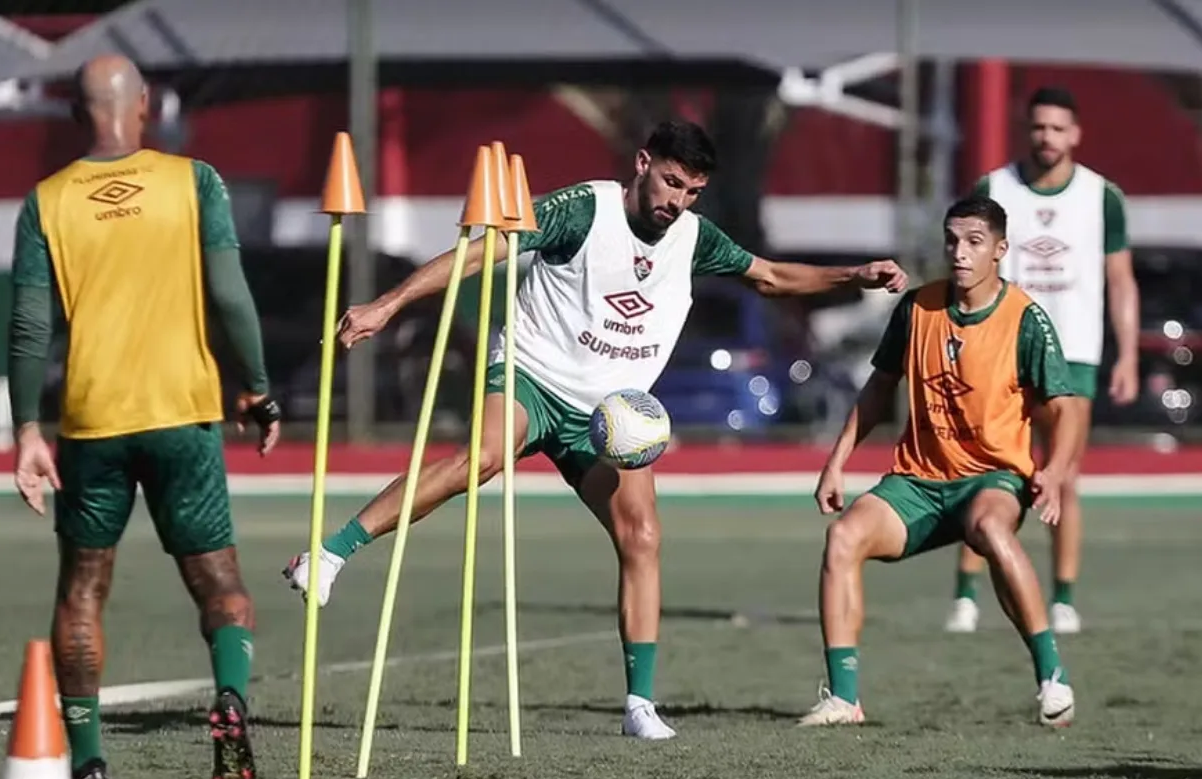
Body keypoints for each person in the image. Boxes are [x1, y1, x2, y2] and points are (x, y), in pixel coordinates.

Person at [283, 119, 908, 740]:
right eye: (670, 183)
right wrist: (388, 305)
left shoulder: (692, 236)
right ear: (641, 163)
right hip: (533, 374)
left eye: (692, 191)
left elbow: (771, 277)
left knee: (642, 535)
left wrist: (853, 275)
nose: (677, 202)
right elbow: (480, 253)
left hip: (612, 413)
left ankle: (639, 704)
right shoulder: (583, 209)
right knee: (483, 458)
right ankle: (330, 554)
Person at [6, 54, 279, 779]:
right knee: (219, 583)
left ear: (75, 116)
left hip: (93, 421)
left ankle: (88, 760)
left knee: (83, 589)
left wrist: (27, 427)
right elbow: (229, 293)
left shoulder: (48, 200)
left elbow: (31, 324)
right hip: (182, 414)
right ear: (146, 105)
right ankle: (228, 696)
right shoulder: (194, 181)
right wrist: (254, 384)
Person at [802, 195, 1080, 728]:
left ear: (999, 250)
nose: (959, 252)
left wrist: (1054, 471)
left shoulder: (1025, 319)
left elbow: (1064, 410)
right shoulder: (916, 307)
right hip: (918, 481)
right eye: (952, 240)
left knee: (992, 532)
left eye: (974, 242)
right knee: (842, 538)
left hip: (992, 478)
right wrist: (837, 462)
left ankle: (1052, 676)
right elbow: (878, 390)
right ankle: (844, 699)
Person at [945, 86, 1141, 635]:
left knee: (1064, 475)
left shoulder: (1103, 197)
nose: (1047, 137)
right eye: (1038, 127)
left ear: (1075, 134)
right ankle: (965, 595)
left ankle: (1064, 598)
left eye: (1058, 128)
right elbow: (969, 265)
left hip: (1075, 352)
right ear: (1026, 130)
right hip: (1003, 347)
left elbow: (1120, 280)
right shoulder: (995, 188)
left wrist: (1126, 355)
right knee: (984, 472)